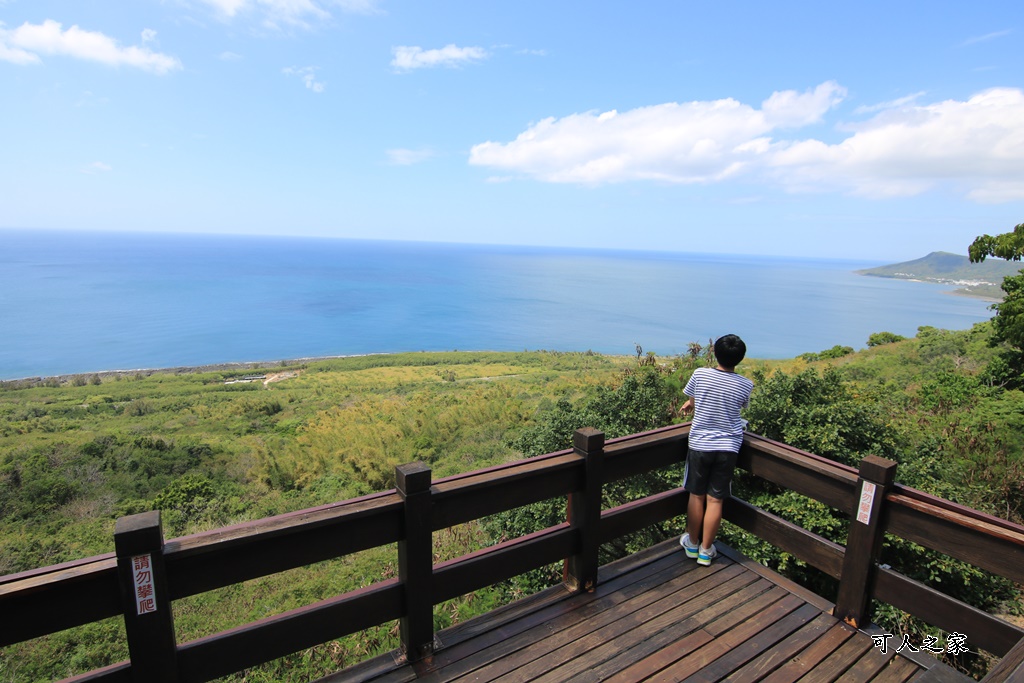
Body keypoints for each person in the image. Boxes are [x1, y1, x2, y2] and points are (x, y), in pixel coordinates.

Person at [679, 334, 754, 566]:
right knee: (715, 500)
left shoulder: (700, 374)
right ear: (740, 358)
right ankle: (706, 550)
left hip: (701, 443)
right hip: (729, 446)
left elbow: (697, 395)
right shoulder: (745, 384)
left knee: (696, 494)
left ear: (714, 353)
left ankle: (691, 544)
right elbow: (737, 406)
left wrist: (691, 403)